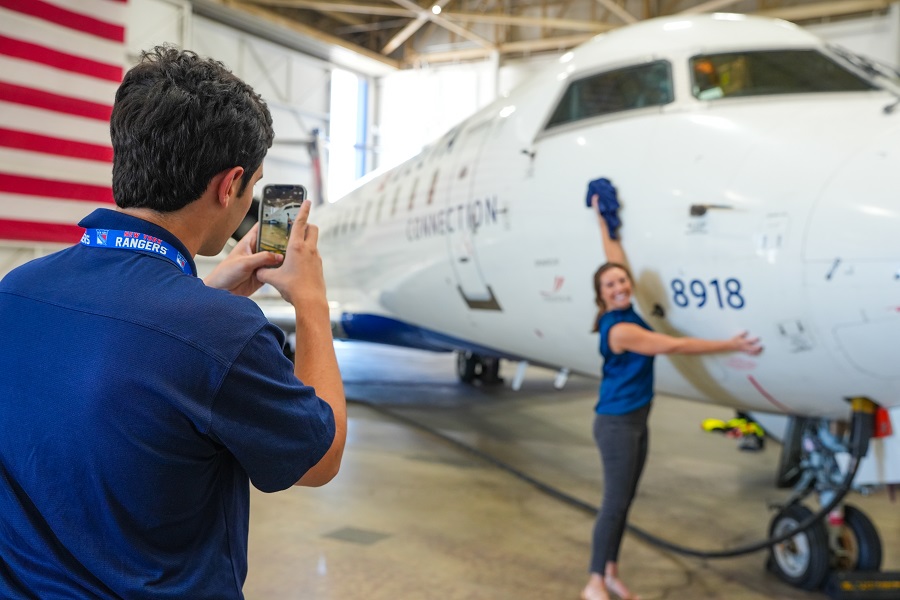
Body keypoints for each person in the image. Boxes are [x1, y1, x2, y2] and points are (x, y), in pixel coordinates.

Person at [0, 46, 346, 599]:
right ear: (229, 185)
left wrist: (201, 293)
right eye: (254, 185)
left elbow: (124, 347)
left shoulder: (16, 288)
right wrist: (311, 303)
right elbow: (318, 459)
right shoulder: (224, 333)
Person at [581, 186, 762, 600]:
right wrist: (730, 344)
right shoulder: (622, 330)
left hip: (635, 420)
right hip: (616, 425)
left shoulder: (623, 308)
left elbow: (612, 256)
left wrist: (602, 219)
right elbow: (676, 346)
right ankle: (593, 582)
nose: (619, 286)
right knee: (614, 503)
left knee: (625, 500)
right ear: (601, 296)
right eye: (610, 285)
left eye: (622, 280)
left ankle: (611, 572)